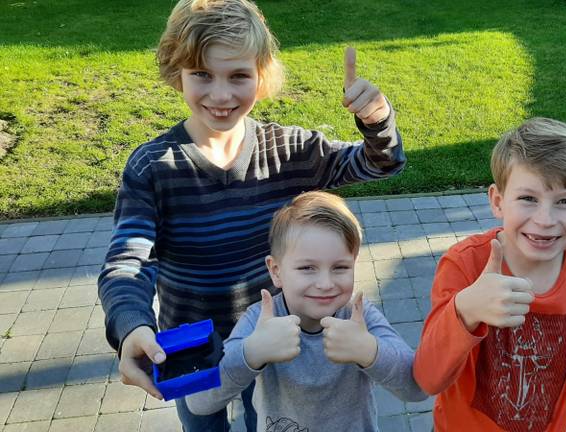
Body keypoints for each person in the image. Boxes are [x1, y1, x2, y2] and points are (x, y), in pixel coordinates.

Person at [96, 0, 405, 429]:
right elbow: (128, 263)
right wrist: (131, 327)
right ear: (177, 73)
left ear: (261, 77)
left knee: (269, 420)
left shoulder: (288, 151)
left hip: (274, 339)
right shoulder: (154, 167)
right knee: (202, 423)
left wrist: (377, 120)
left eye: (238, 75)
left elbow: (378, 163)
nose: (221, 95)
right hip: (192, 350)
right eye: (201, 74)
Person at [413, 117, 566, 432]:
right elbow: (428, 379)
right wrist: (466, 308)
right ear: (498, 201)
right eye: (528, 198)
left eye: (564, 201)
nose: (545, 219)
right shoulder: (464, 265)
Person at [185, 191, 426, 430]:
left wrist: (370, 351)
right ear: (276, 271)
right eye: (307, 268)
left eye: (340, 267)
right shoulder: (260, 322)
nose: (325, 283)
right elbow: (199, 402)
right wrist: (252, 353)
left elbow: (418, 387)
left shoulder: (359, 317)